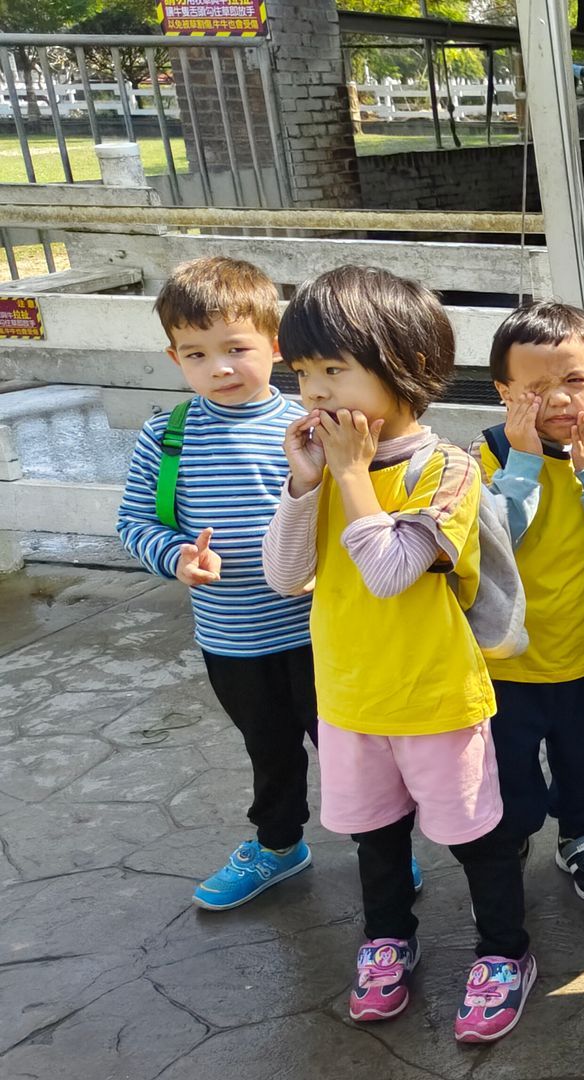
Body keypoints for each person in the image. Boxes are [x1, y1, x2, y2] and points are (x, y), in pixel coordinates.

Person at [263, 266, 535, 1043]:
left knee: (476, 837)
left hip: (434, 697)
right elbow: (285, 576)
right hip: (350, 697)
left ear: (404, 365)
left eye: (334, 369)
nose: (314, 392)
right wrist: (304, 485)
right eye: (304, 373)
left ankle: (505, 951)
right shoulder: (326, 468)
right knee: (375, 838)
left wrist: (351, 477)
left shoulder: (446, 470)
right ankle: (388, 940)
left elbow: (388, 573)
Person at [115, 255, 320, 911]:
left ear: (276, 346)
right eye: (197, 354)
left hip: (321, 633)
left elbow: (350, 510)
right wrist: (175, 557)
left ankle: (382, 844)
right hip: (232, 639)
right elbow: (134, 522)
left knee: (352, 749)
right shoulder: (166, 437)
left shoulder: (307, 426)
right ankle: (279, 845)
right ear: (175, 359)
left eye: (236, 348)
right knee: (269, 749)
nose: (220, 368)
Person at [476, 301, 584, 901]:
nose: (560, 400)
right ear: (504, 392)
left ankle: (581, 832)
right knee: (509, 763)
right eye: (536, 389)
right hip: (507, 659)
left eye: (575, 381)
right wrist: (523, 463)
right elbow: (496, 544)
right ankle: (510, 834)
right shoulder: (486, 458)